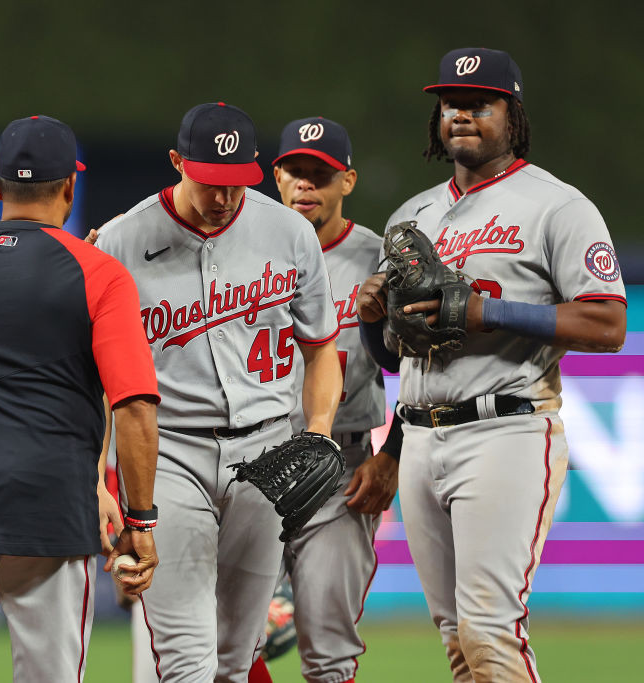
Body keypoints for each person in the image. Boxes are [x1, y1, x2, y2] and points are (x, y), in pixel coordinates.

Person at [357, 48, 626, 681]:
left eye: (481, 102)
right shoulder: (411, 216)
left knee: (489, 629)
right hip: (421, 436)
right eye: (452, 103)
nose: (462, 114)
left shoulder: (557, 206)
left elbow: (609, 323)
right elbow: (395, 360)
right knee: (457, 641)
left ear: (513, 114)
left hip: (506, 427)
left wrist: (492, 314)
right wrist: (374, 320)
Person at [0, 114, 160, 683]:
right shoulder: (100, 273)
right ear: (71, 188)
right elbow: (135, 404)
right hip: (46, 505)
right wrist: (140, 518)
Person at [94, 102, 342, 683]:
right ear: (178, 162)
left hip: (268, 452)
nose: (224, 198)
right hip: (169, 454)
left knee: (238, 655)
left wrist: (319, 431)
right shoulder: (120, 242)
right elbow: (95, 382)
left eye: (236, 183)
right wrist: (100, 477)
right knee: (185, 657)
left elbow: (321, 349)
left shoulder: (289, 233)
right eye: (209, 182)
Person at [266, 116, 401, 683]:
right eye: (295, 171)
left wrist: (393, 451)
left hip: (342, 468)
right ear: (276, 176)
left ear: (347, 181)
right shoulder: (239, 250)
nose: (305, 185)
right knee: (229, 645)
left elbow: (416, 369)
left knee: (329, 649)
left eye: (319, 174)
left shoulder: (382, 260)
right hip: (249, 463)